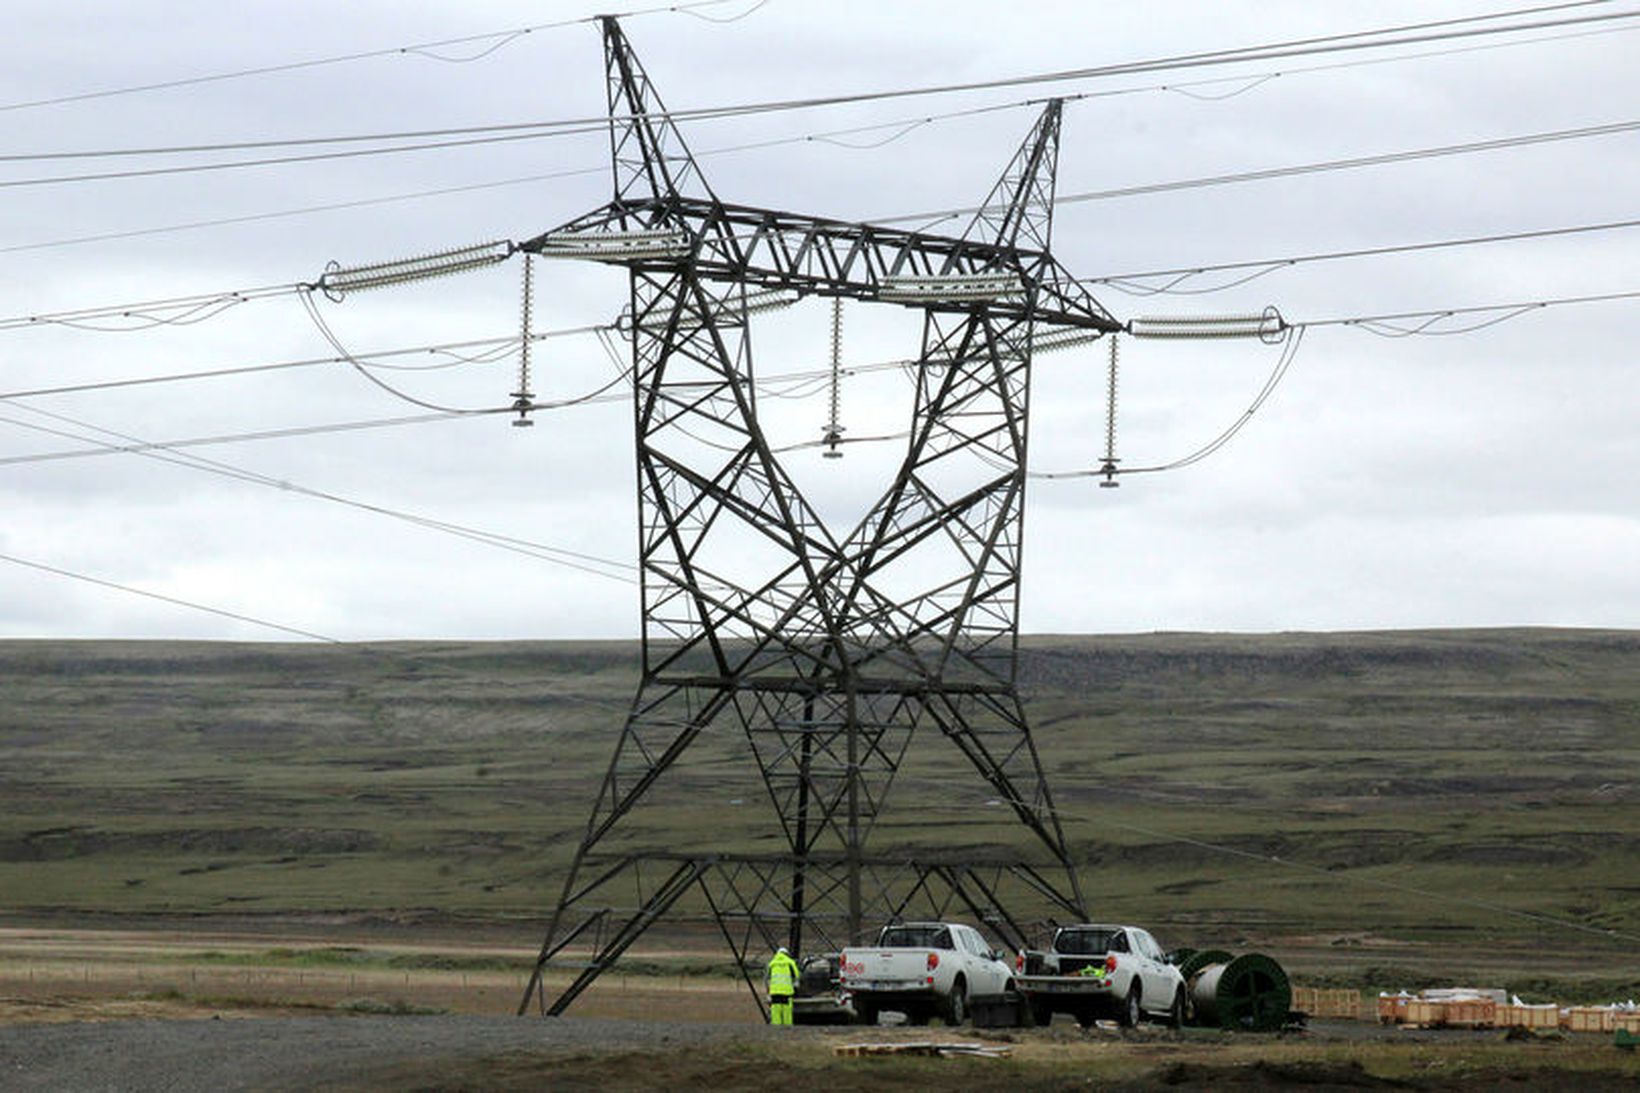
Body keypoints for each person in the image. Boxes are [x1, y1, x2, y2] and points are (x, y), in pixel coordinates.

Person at [766, 945, 800, 1026]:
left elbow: (767, 979)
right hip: (787, 993)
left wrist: (768, 993)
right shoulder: (790, 962)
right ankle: (787, 1033)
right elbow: (797, 976)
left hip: (774, 993)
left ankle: (777, 1033)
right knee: (787, 1015)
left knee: (776, 1014)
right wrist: (796, 987)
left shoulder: (771, 963)